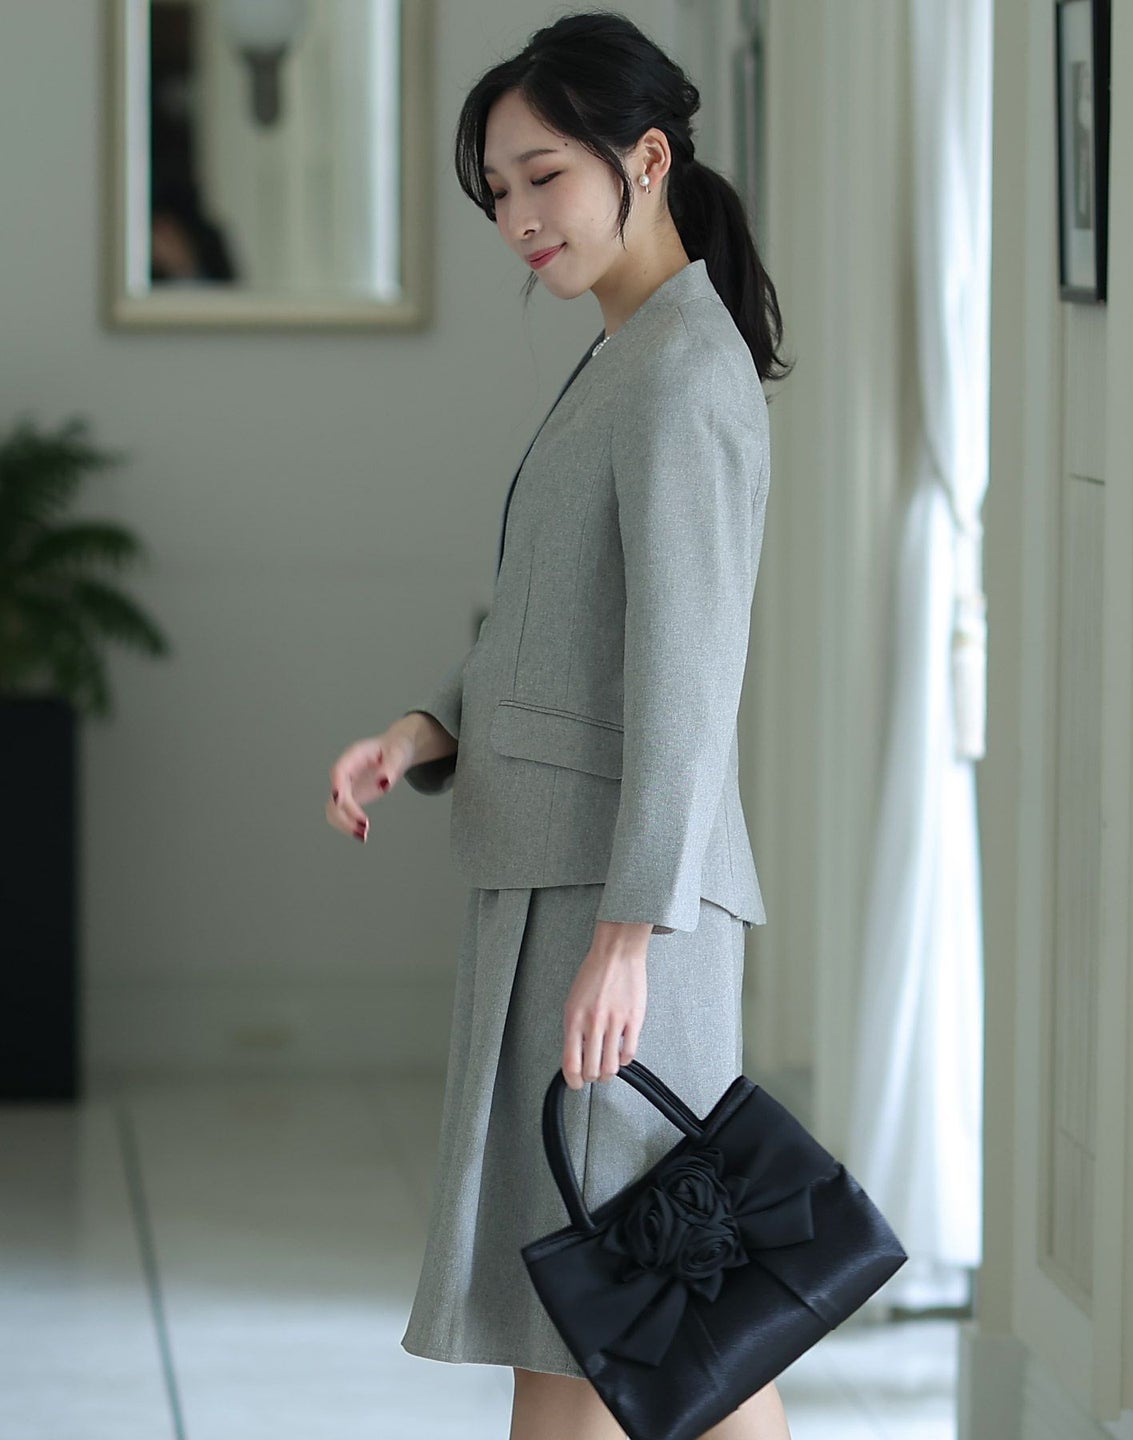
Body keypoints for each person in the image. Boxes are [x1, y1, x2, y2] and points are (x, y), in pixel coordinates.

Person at [325, 11, 794, 1438]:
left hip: (614, 907)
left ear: (644, 159)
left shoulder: (683, 373)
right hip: (571, 891)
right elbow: (561, 627)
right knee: (648, 1311)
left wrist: (627, 936)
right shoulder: (629, 355)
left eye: (545, 177)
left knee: (608, 1313)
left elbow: (688, 681)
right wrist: (425, 729)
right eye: (497, 192)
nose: (518, 218)